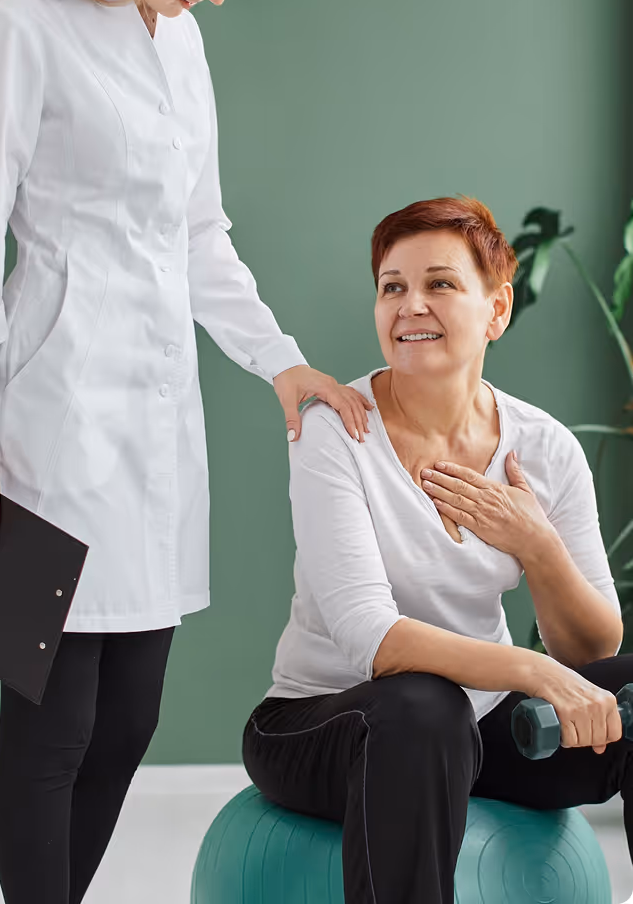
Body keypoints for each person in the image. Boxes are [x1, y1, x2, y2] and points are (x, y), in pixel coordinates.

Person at [0, 0, 373, 904]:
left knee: (131, 715)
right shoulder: (19, 31)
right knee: (54, 727)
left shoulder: (178, 42)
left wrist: (278, 362)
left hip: (155, 426)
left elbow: (199, 236)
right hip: (46, 420)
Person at [243, 195, 633, 904]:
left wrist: (537, 546)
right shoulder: (336, 429)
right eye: (393, 286)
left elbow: (593, 648)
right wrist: (530, 670)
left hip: (479, 730)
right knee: (425, 708)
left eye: (440, 284)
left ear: (497, 309)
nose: (409, 305)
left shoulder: (545, 448)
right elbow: (369, 637)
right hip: (326, 725)